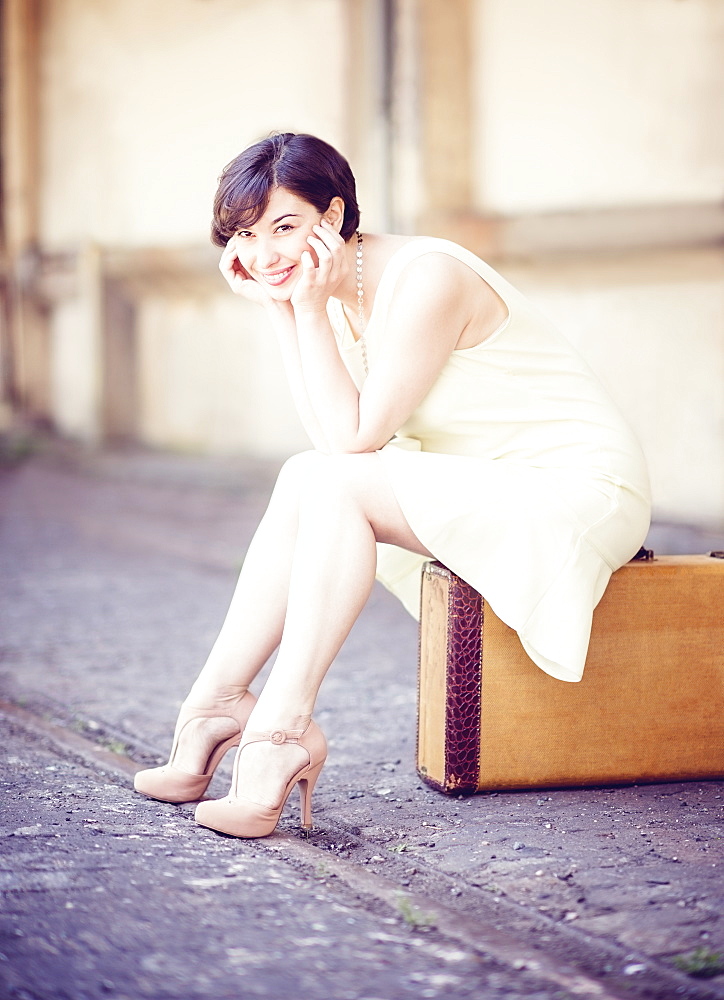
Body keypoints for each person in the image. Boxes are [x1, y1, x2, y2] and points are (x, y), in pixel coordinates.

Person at [134, 132, 651, 838]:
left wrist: (302, 311)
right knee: (307, 475)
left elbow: (356, 442)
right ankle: (219, 702)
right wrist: (284, 309)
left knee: (334, 482)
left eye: (285, 227)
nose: (264, 254)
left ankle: (279, 734)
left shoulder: (425, 277)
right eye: (247, 236)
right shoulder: (327, 287)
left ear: (334, 213)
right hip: (492, 482)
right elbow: (330, 444)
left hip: (577, 489)